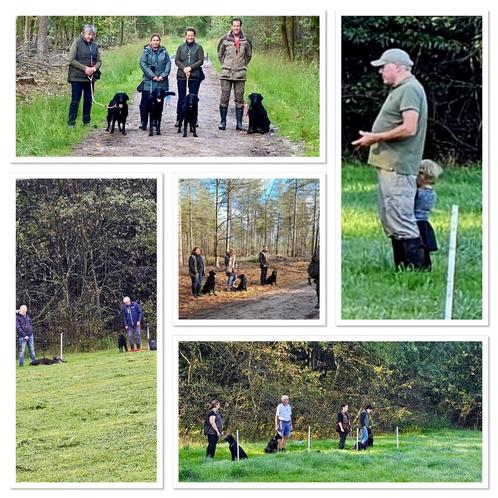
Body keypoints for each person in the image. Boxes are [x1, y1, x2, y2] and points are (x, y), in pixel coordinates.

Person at [352, 48, 428, 270]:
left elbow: (409, 127)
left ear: (397, 66)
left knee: (402, 218)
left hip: (398, 166)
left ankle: (417, 273)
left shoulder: (411, 89)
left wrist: (376, 137)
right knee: (392, 218)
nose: (380, 72)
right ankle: (402, 270)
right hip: (389, 166)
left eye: (383, 67)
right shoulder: (403, 89)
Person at [217, 18, 252, 131]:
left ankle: (239, 123)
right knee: (224, 97)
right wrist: (226, 65)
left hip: (240, 74)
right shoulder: (225, 39)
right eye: (234, 26)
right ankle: (223, 122)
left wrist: (241, 65)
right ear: (231, 26)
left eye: (238, 26)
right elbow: (220, 54)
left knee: (239, 98)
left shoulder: (246, 40)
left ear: (240, 27)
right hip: (226, 73)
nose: (236, 28)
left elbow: (249, 55)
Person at [67, 24, 102, 128]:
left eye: (92, 34)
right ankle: (71, 123)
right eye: (88, 34)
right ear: (84, 33)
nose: (90, 36)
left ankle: (86, 122)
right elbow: (71, 60)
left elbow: (99, 61)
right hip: (76, 77)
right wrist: (85, 69)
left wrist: (94, 69)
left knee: (88, 100)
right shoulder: (77, 42)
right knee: (75, 100)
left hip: (90, 79)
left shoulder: (95, 46)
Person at [139, 33, 172, 130]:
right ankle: (143, 121)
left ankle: (155, 121)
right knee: (144, 103)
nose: (155, 42)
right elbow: (142, 64)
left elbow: (168, 64)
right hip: (149, 82)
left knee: (158, 103)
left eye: (157, 40)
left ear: (160, 41)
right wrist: (152, 75)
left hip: (161, 82)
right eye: (154, 40)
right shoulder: (146, 51)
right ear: (151, 41)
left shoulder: (164, 52)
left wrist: (163, 75)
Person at [415, 159, 443, 270]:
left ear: (424, 176)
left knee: (419, 246)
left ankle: (421, 266)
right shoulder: (432, 192)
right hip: (424, 222)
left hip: (417, 221)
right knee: (424, 247)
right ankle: (426, 266)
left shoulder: (419, 192)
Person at [174, 27, 205, 128]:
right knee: (182, 98)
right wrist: (184, 68)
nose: (190, 37)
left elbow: (201, 61)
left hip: (195, 76)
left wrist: (190, 68)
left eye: (191, 35)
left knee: (193, 98)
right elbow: (177, 60)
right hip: (182, 76)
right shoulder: (180, 47)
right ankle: (179, 118)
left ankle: (194, 120)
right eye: (188, 35)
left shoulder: (199, 47)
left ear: (194, 36)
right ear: (185, 36)